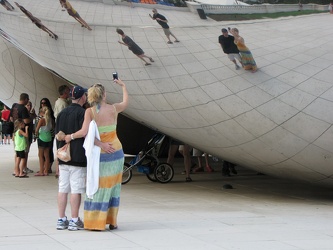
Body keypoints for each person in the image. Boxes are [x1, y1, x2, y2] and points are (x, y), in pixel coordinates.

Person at [63, 80, 128, 231]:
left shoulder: (90, 112)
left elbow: (86, 134)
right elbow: (125, 103)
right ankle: (112, 221)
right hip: (117, 152)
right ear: (104, 95)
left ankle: (96, 222)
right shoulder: (113, 108)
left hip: (102, 154)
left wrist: (102, 145)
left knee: (97, 186)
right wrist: (123, 86)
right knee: (114, 187)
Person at [55, 85, 88, 231]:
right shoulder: (83, 113)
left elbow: (57, 136)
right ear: (83, 97)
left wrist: (58, 156)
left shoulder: (62, 113)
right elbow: (85, 132)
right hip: (78, 156)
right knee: (76, 189)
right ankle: (75, 220)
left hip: (63, 156)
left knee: (63, 188)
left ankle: (61, 219)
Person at [10, 93, 33, 174]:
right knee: (24, 152)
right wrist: (31, 117)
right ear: (26, 99)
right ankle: (23, 168)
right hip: (23, 133)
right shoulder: (23, 109)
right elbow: (26, 121)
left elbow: (11, 118)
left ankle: (15, 169)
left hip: (15, 132)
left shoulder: (14, 106)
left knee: (17, 152)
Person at [35, 98, 56, 174]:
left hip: (42, 137)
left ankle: (41, 171)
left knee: (40, 155)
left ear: (42, 112)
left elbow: (37, 129)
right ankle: (46, 170)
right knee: (47, 155)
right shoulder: (51, 119)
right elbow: (53, 127)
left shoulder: (42, 120)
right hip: (49, 137)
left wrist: (36, 134)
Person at [25, 101, 36, 171]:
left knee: (27, 152)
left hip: (29, 135)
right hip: (25, 135)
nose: (29, 107)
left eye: (30, 105)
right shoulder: (26, 115)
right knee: (24, 152)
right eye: (28, 105)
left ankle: (24, 166)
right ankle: (23, 167)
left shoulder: (31, 114)